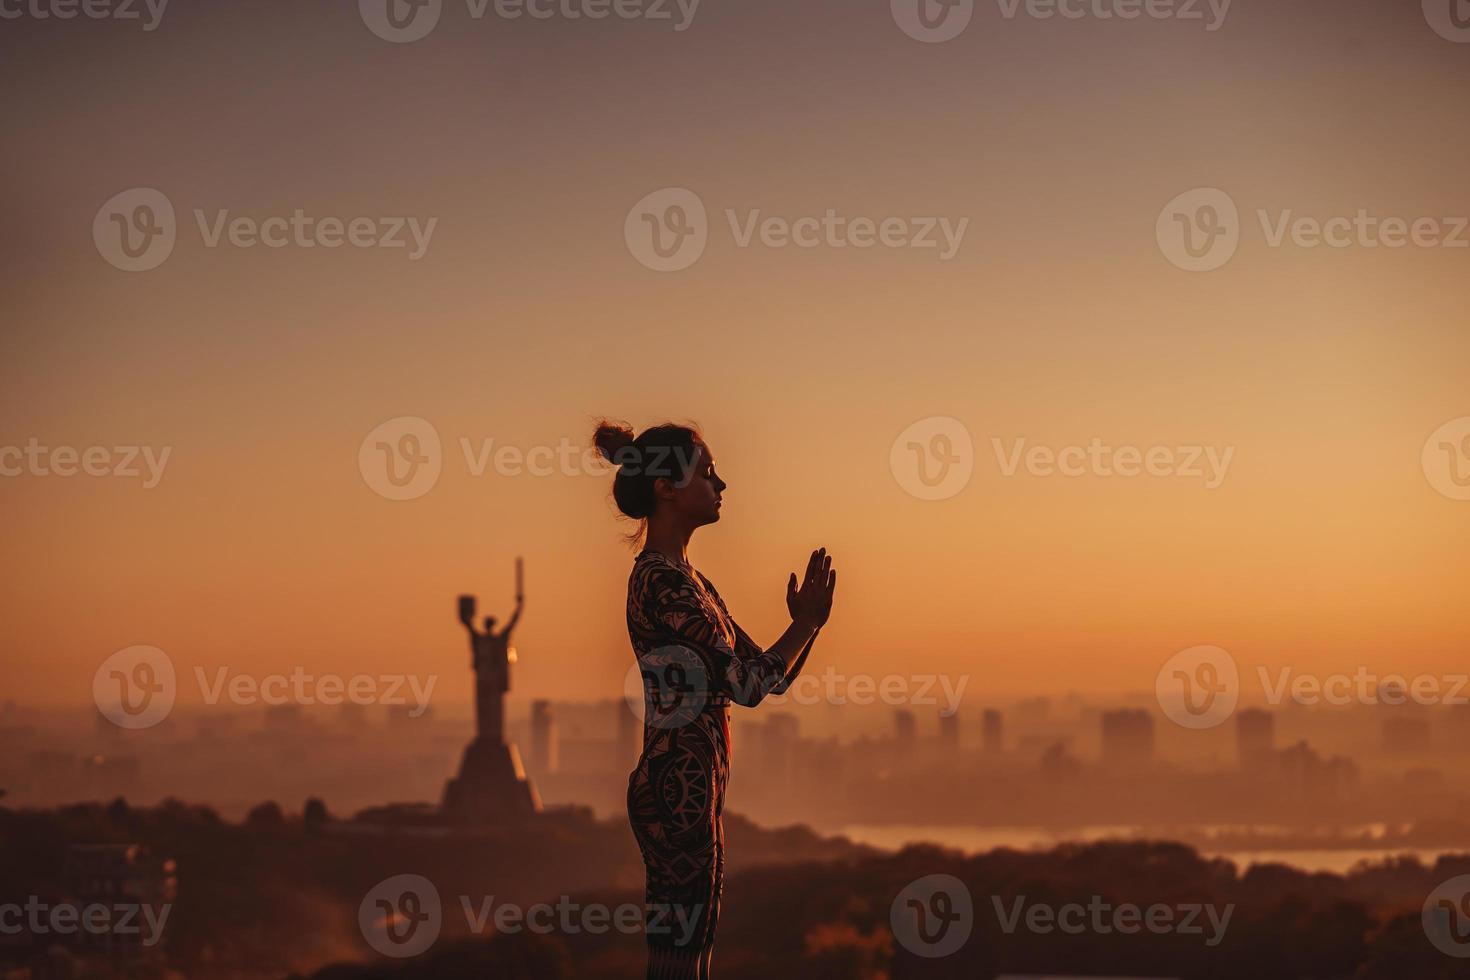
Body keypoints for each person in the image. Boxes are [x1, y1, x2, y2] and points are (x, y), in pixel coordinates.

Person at [592, 419, 836, 980]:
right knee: (679, 964)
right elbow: (748, 686)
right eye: (707, 472)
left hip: (692, 790)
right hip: (676, 791)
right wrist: (803, 627)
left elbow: (769, 678)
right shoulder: (662, 583)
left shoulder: (692, 581)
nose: (720, 484)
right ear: (666, 488)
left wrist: (809, 626)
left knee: (690, 958)